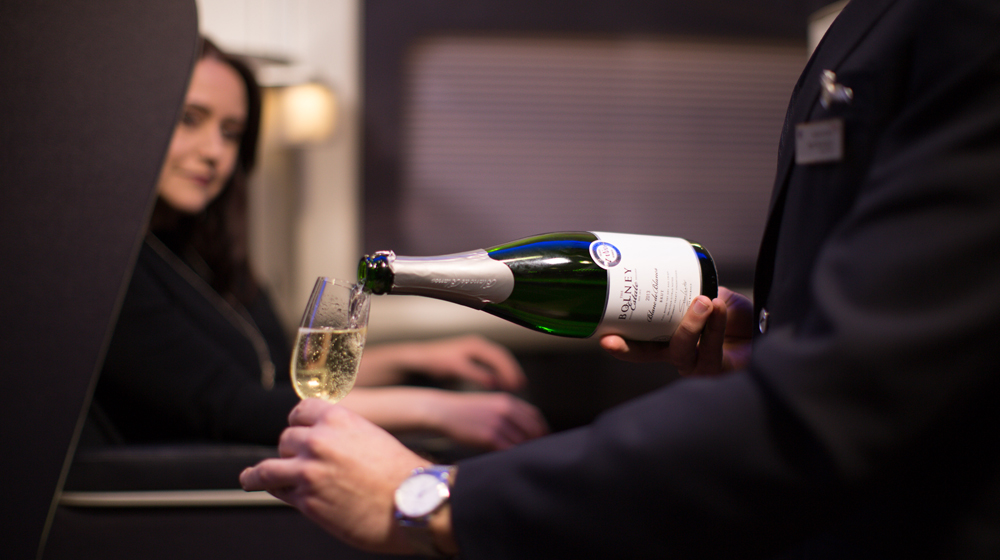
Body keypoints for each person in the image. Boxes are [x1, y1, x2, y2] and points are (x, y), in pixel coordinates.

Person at [239, 0, 1000, 558]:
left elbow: (839, 400)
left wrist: (433, 499)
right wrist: (770, 343)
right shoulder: (862, 24)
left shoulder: (962, 22)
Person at [93, 37, 548, 451]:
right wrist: (436, 411)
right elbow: (237, 407)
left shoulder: (198, 253)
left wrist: (418, 356)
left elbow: (282, 375)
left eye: (230, 132)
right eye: (189, 120)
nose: (214, 151)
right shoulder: (107, 269)